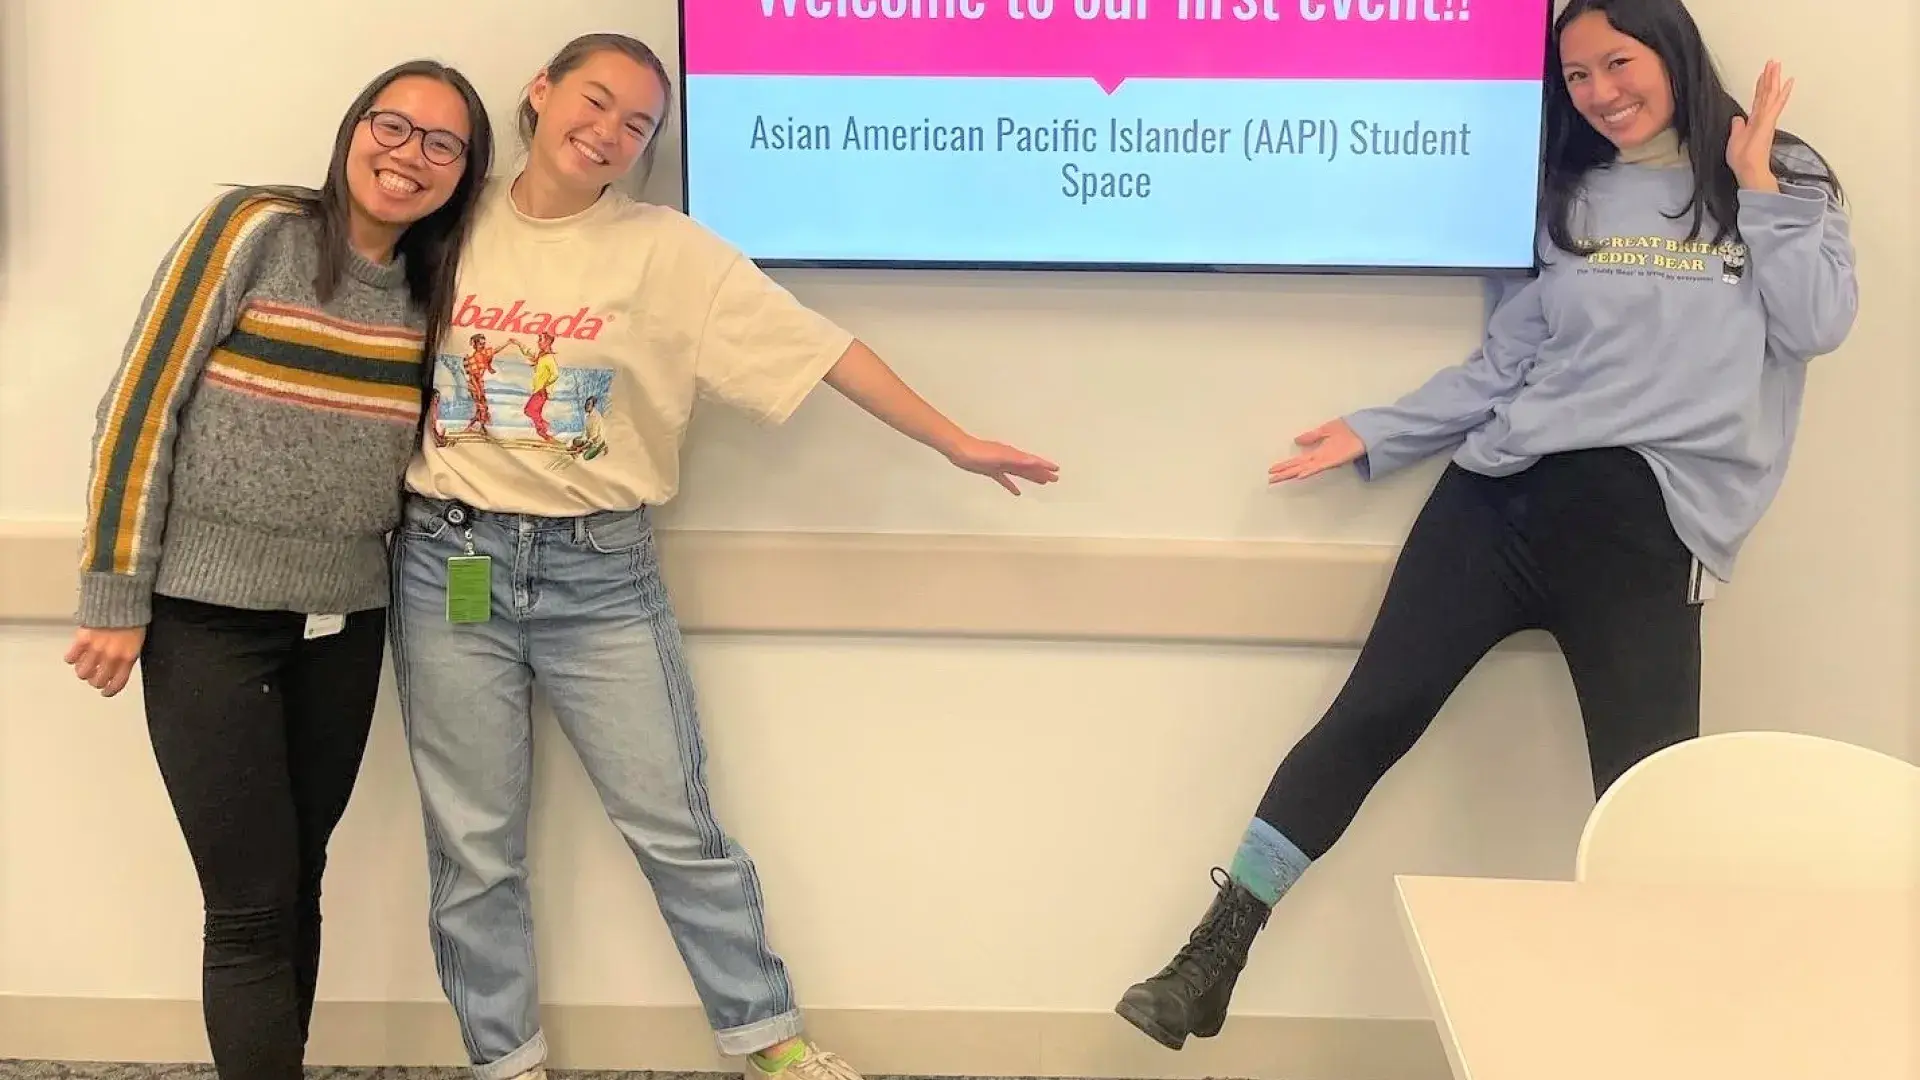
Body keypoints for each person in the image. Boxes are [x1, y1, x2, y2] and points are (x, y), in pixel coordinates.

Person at [1115, 0, 1855, 1051]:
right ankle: (1214, 953)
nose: (1598, 92)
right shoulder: (1562, 194)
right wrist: (1376, 434)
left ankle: (1670, 1031)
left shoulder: (1779, 176)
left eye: (1616, 62)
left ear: (1672, 49)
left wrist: (1763, 188)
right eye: (1576, 76)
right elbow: (1506, 363)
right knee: (1369, 717)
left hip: (1648, 532)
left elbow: (1818, 325)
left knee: (1647, 796)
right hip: (1496, 502)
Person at [388, 32, 1059, 1080]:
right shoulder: (447, 223)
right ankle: (503, 1061)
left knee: (677, 830)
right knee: (475, 851)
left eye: (637, 124)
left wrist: (954, 440)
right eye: (595, 101)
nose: (607, 132)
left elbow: (823, 348)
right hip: (453, 567)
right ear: (540, 93)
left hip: (599, 578)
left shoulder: (668, 251)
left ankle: (771, 1044)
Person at [62, 60, 493, 1080]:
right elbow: (136, 406)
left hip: (347, 622)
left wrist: (471, 607)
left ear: (464, 174)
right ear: (353, 130)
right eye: (393, 125)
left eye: (443, 144)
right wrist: (115, 596)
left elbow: (448, 464)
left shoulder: (439, 291)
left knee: (299, 882)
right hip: (206, 619)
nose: (410, 154)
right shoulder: (255, 228)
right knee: (251, 905)